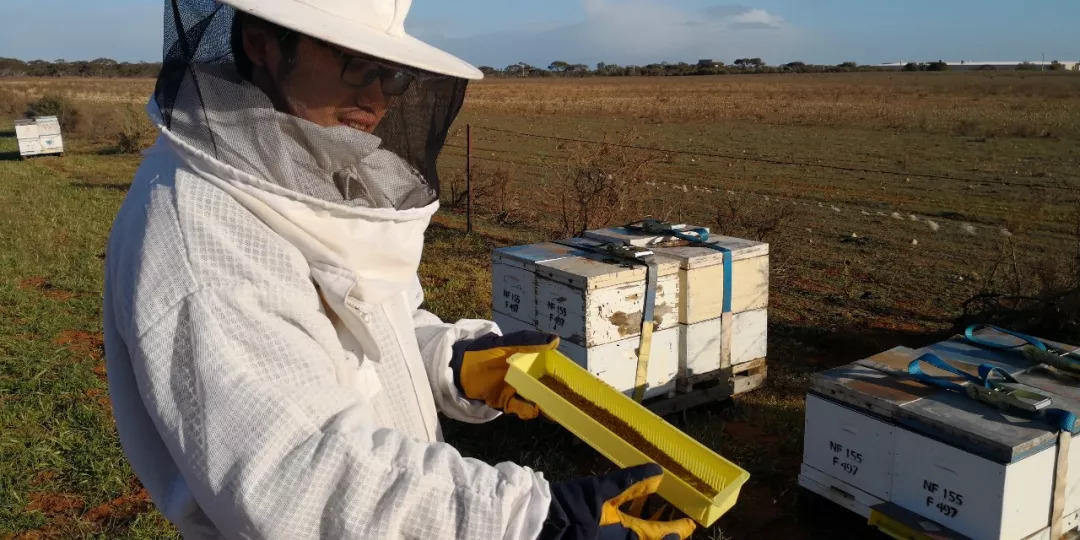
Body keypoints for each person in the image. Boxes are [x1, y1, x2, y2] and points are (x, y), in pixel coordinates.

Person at [103, 1, 697, 538]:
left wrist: (451, 360)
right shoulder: (199, 231)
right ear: (262, 43)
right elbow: (296, 471)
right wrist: (533, 523)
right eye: (356, 65)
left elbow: (366, 326)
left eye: (393, 74)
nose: (380, 100)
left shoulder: (301, 168)